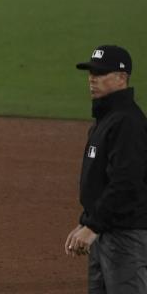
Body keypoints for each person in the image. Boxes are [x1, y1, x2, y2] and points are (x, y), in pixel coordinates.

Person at [65, 45, 147, 293]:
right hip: (105, 232)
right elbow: (100, 182)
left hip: (125, 236)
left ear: (122, 78)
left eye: (100, 73)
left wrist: (93, 226)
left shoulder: (127, 123)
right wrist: (87, 222)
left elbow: (126, 183)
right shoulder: (106, 120)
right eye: (91, 73)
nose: (92, 79)